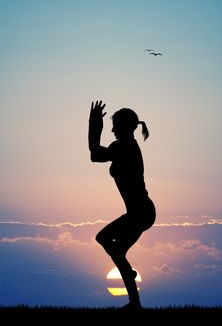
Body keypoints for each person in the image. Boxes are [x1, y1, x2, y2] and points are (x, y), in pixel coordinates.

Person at [88, 100, 156, 310]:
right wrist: (95, 124)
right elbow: (96, 155)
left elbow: (95, 154)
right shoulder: (127, 145)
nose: (113, 129)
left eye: (115, 125)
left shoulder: (123, 146)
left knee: (107, 243)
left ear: (126, 127)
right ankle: (134, 299)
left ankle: (130, 286)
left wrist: (93, 124)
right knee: (114, 249)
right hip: (140, 212)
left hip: (141, 212)